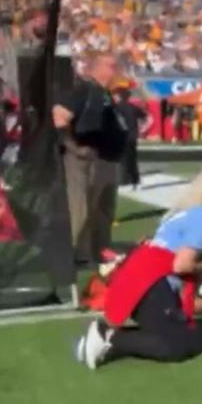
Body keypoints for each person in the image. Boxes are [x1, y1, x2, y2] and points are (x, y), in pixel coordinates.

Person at [74, 164, 202, 368]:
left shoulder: (186, 213)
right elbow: (181, 265)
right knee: (178, 345)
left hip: (140, 278)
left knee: (191, 337)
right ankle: (109, 337)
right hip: (150, 283)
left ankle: (110, 336)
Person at [51, 53, 130, 267]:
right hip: (84, 159)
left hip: (105, 159)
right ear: (97, 68)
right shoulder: (83, 89)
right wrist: (73, 146)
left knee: (103, 211)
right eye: (112, 66)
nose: (117, 70)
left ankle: (98, 251)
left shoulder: (103, 93)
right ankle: (73, 254)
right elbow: (59, 115)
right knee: (81, 208)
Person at [114, 87, 150, 187]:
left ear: (119, 97)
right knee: (132, 158)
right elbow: (148, 118)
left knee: (122, 159)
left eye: (116, 96)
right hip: (132, 136)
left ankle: (124, 180)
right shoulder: (133, 107)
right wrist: (143, 129)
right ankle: (135, 180)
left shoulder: (116, 108)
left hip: (121, 136)